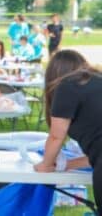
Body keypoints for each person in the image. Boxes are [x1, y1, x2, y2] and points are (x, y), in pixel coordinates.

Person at [34, 50, 101, 215]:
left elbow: (56, 136)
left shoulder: (67, 86)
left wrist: (46, 164)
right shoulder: (97, 82)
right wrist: (69, 164)